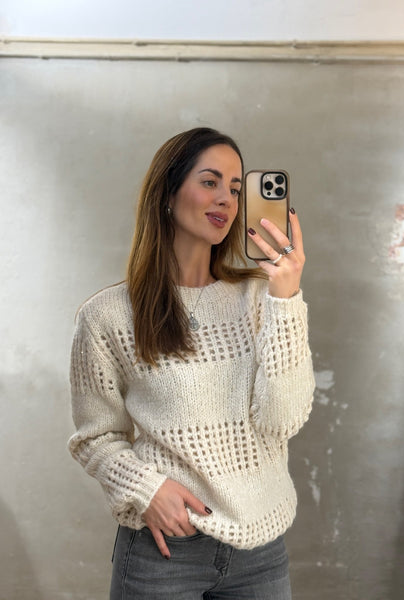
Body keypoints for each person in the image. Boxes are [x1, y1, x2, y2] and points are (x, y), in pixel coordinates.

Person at [68, 127, 315, 599]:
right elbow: (95, 438)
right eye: (210, 182)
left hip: (260, 553)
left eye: (236, 189)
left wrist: (286, 297)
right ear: (168, 193)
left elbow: (282, 420)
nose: (226, 198)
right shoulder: (107, 317)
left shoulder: (263, 298)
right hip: (165, 553)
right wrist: (146, 488)